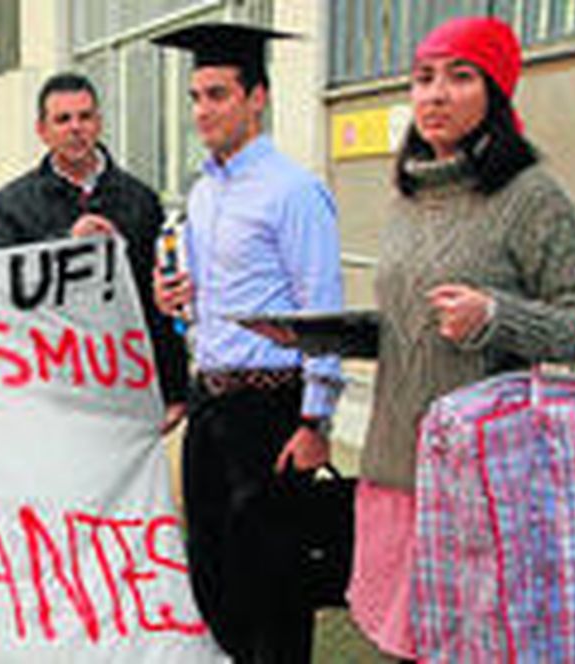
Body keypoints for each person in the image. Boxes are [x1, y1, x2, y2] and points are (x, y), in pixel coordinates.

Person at [342, 17, 575, 659]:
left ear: (496, 91)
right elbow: (418, 320)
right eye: (423, 77)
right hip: (394, 468)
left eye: (460, 77)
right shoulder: (408, 193)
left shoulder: (531, 195)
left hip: (482, 485)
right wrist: (334, 336)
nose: (435, 95)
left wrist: (498, 316)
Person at [150, 23, 346, 663]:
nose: (203, 110)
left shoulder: (294, 192)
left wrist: (316, 419)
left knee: (275, 591)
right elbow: (202, 303)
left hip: (273, 413)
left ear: (256, 97)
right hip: (212, 411)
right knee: (215, 582)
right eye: (196, 97)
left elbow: (322, 309)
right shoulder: (203, 195)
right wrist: (172, 298)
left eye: (218, 94)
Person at [0, 72, 190, 433]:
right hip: (50, 390)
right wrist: (65, 244)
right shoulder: (13, 203)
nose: (75, 128)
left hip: (125, 387)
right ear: (42, 130)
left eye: (84, 117)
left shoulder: (140, 200)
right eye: (62, 119)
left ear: (99, 123)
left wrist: (175, 390)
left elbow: (158, 302)